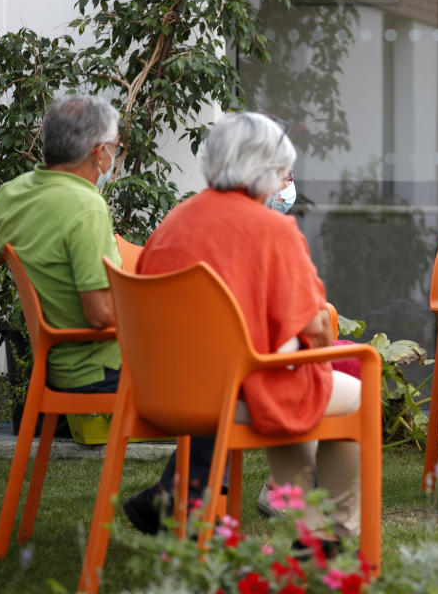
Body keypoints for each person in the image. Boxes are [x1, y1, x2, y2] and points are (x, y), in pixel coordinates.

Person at [123, 112, 361, 550]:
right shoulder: (274, 229)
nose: (285, 182)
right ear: (267, 170)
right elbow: (317, 328)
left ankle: (309, 526)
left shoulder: (174, 223)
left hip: (162, 391)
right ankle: (333, 533)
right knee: (347, 394)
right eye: (283, 172)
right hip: (231, 395)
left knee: (289, 379)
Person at [0, 94, 123, 393]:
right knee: (212, 374)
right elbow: (100, 315)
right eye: (116, 149)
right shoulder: (87, 206)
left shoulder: (13, 193)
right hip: (100, 372)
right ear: (99, 153)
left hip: (52, 368)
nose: (114, 158)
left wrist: (21, 246)